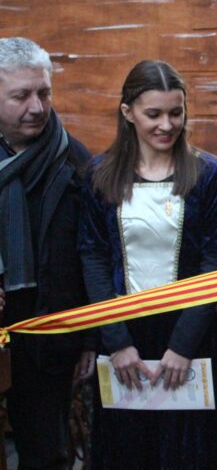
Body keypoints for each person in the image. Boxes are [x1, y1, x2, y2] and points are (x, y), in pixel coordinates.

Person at [78, 60, 217, 469]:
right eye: (154, 114)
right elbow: (93, 256)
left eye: (176, 112)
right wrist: (116, 342)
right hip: (123, 336)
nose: (167, 124)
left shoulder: (208, 173)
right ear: (128, 113)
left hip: (188, 336)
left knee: (188, 453)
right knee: (127, 450)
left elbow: (215, 261)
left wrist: (182, 346)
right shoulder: (98, 175)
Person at [0, 37, 94, 470]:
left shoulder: (77, 165)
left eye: (43, 92)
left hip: (49, 337)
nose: (36, 107)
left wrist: (89, 339)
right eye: (20, 96)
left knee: (47, 455)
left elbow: (94, 259)